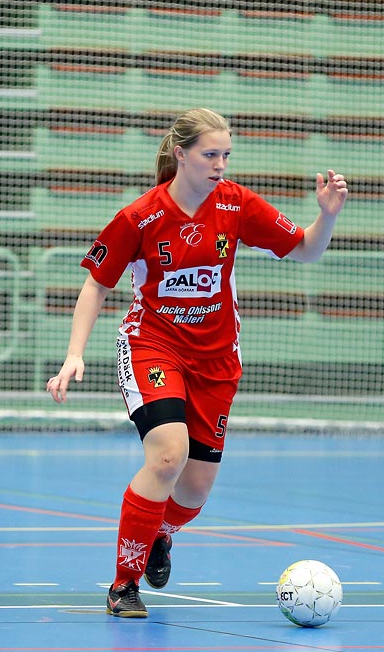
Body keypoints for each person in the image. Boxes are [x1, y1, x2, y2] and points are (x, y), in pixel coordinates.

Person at [45, 108, 348, 617]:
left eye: (226, 155)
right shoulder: (139, 217)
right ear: (180, 154)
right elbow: (98, 283)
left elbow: (305, 250)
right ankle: (124, 584)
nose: (221, 165)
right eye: (211, 155)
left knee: (196, 488)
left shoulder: (236, 205)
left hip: (217, 360)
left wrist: (329, 215)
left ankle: (161, 531)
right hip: (153, 345)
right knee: (167, 456)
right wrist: (74, 354)